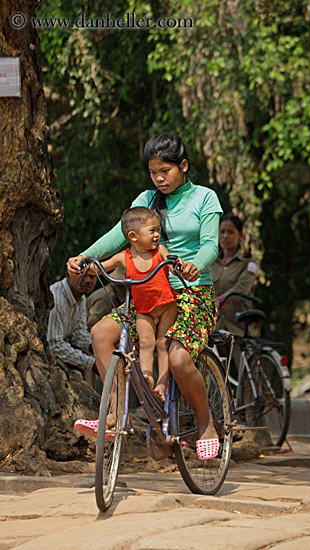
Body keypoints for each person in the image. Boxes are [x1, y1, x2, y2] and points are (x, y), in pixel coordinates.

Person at [67, 132, 223, 460]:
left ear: (183, 166)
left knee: (179, 359)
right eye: (153, 172)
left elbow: (211, 245)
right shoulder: (147, 199)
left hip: (191, 293)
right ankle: (115, 414)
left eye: (165, 171)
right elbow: (118, 236)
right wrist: (83, 257)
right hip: (148, 292)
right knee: (101, 334)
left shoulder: (205, 198)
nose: (159, 178)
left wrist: (194, 266)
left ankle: (206, 423)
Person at [86, 206, 179, 401]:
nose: (157, 235)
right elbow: (100, 268)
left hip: (166, 307)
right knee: (146, 344)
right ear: (133, 236)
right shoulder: (124, 258)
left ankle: (162, 383)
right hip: (144, 311)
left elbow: (171, 261)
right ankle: (147, 376)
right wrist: (85, 264)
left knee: (162, 344)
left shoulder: (159, 251)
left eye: (157, 230)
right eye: (152, 230)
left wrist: (176, 264)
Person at [211, 213, 258, 368]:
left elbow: (241, 288)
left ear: (240, 235)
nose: (225, 236)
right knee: (215, 374)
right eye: (222, 231)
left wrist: (220, 300)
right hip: (215, 328)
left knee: (246, 374)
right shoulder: (211, 264)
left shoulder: (248, 264)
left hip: (238, 329)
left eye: (230, 232)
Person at [47, 271, 97, 385]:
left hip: (64, 347)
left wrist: (92, 346)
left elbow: (78, 332)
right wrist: (91, 364)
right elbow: (54, 345)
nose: (88, 281)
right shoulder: (56, 298)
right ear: (69, 275)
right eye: (83, 276)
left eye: (92, 276)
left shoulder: (81, 298)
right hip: (50, 355)